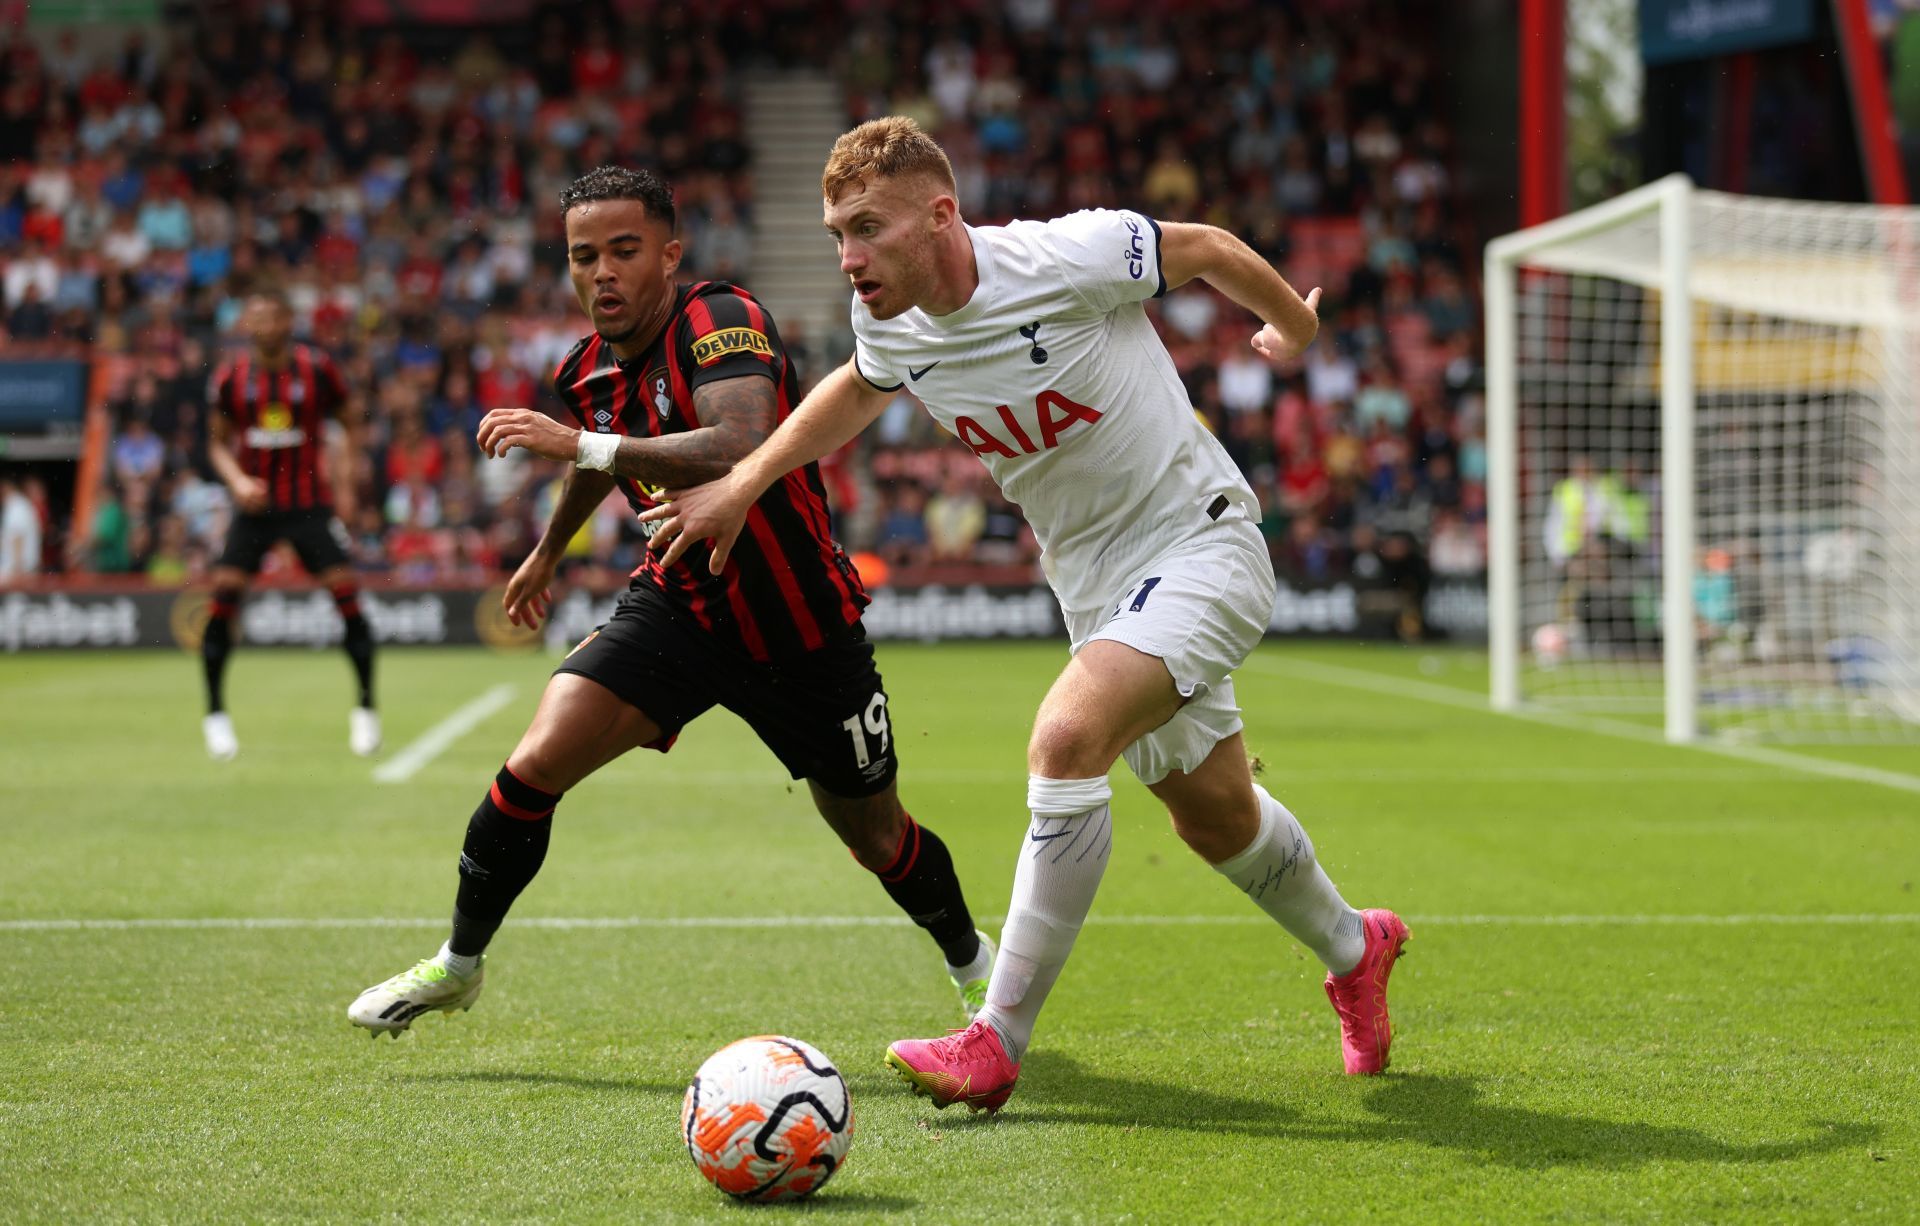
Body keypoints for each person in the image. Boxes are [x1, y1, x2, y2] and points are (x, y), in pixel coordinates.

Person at [648, 118, 1408, 1112]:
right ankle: (1358, 945)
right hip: (1095, 588)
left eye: (867, 228)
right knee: (1214, 814)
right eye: (837, 233)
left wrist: (1296, 331)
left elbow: (1212, 248)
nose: (849, 257)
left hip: (1201, 543)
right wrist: (745, 481)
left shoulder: (1066, 255)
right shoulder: (891, 321)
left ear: (942, 214)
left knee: (1066, 736)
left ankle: (993, 1038)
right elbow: (857, 387)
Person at [347, 166, 994, 1036]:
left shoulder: (720, 320)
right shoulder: (585, 370)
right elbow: (599, 458)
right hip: (681, 608)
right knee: (534, 764)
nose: (603, 273)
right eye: (585, 257)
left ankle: (975, 968)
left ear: (670, 254)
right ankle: (459, 966)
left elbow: (741, 440)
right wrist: (546, 553)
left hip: (799, 624)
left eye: (625, 251)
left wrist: (579, 443)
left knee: (876, 837)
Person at [201, 290, 377, 760]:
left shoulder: (316, 369)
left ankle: (365, 710)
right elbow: (216, 443)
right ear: (246, 323)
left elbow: (349, 420)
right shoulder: (230, 378)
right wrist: (237, 480)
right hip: (254, 509)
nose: (264, 324)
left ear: (286, 321)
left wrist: (344, 480)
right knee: (222, 602)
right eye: (255, 316)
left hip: (308, 506)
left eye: (272, 315)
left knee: (348, 601)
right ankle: (215, 714)